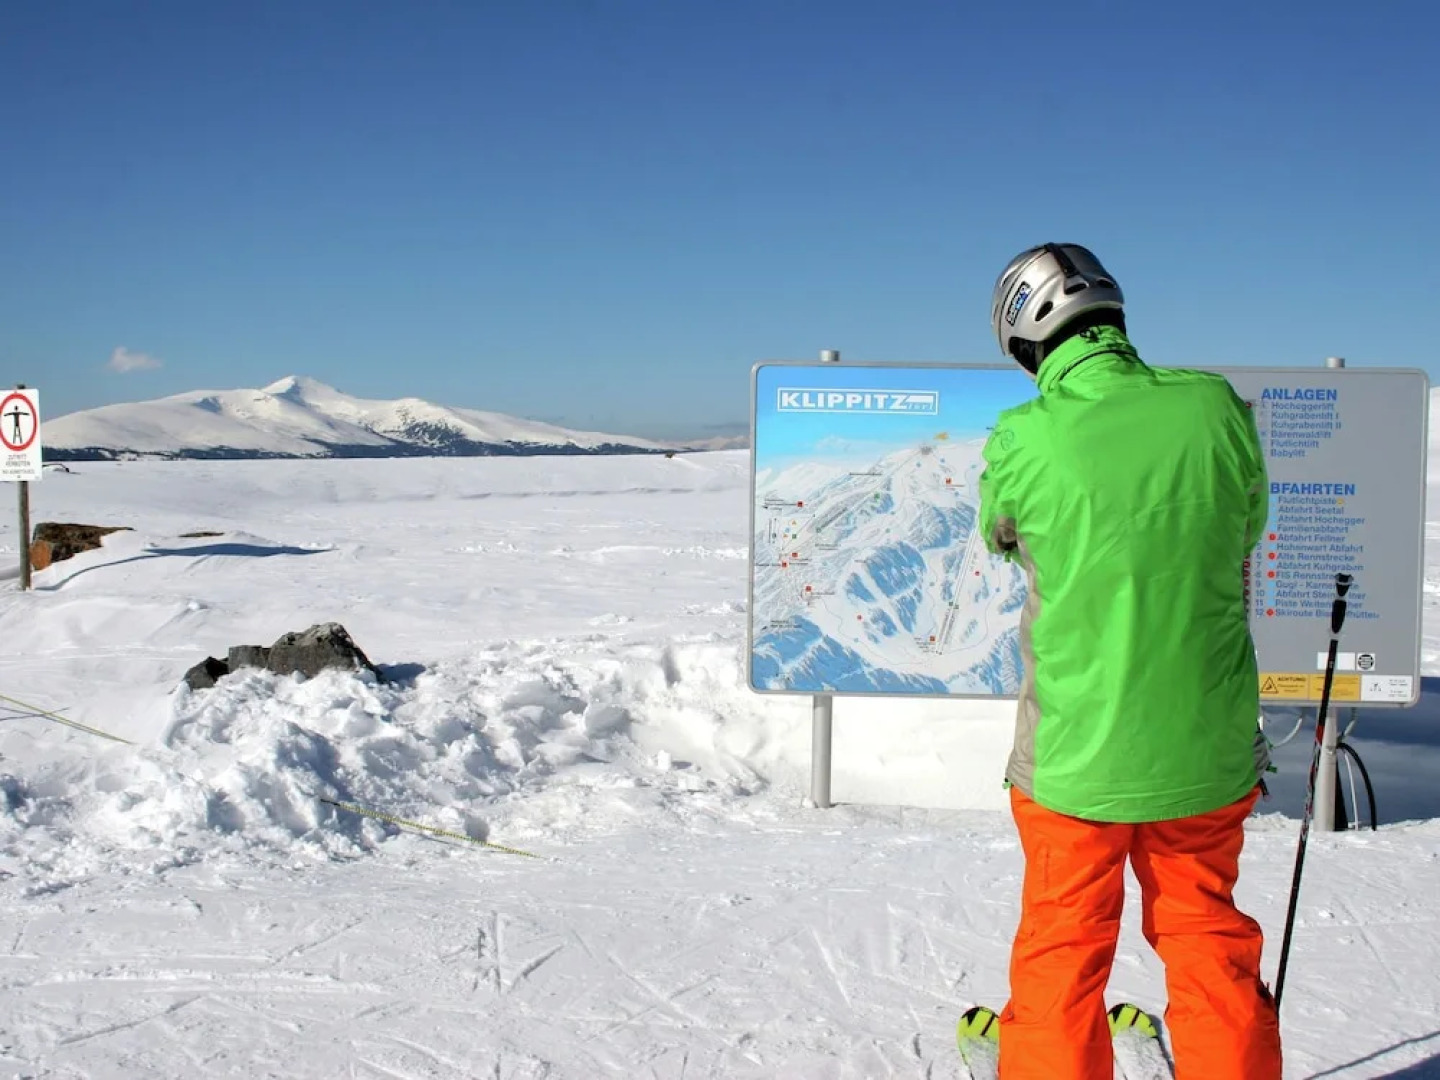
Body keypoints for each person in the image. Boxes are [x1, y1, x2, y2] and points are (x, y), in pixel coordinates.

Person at [977, 243, 1282, 1080]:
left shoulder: (1024, 436)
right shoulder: (1215, 407)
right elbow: (1245, 523)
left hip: (1076, 762)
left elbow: (1001, 533)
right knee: (1209, 944)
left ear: (1028, 340)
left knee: (1061, 958)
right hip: (1206, 755)